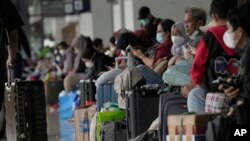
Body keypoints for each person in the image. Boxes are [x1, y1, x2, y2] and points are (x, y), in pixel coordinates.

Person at [188, 0, 238, 113]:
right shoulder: (240, 34)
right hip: (238, 91)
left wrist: (198, 82)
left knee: (194, 96)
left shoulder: (210, 37)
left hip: (214, 92)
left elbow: (198, 65)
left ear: (214, 16)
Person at [219, 3, 250, 124]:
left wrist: (236, 95)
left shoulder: (248, 56)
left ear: (240, 31)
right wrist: (235, 86)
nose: (227, 33)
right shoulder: (244, 52)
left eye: (229, 28)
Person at [132, 19, 175, 85]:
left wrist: (141, 56)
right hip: (159, 74)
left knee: (140, 68)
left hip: (163, 79)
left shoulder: (166, 47)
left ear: (167, 33)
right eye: (157, 31)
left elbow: (153, 64)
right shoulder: (162, 45)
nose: (157, 33)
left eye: (159, 31)